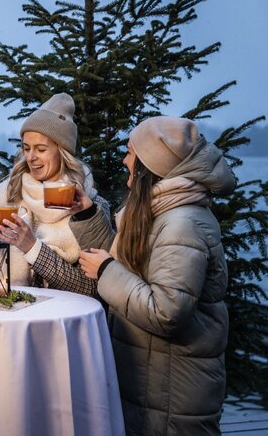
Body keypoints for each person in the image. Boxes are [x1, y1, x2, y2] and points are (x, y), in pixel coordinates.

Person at [73, 116, 234, 435]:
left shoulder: (181, 224)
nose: (124, 160)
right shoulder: (158, 210)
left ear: (148, 164)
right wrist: (87, 213)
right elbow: (122, 264)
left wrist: (105, 271)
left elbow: (167, 312)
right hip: (150, 382)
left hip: (174, 395)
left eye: (130, 152)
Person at [0, 92, 108, 295]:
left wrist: (32, 247)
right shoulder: (7, 194)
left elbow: (90, 287)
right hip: (10, 313)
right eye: (26, 148)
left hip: (59, 318)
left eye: (40, 149)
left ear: (63, 151)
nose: (31, 157)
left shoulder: (89, 205)